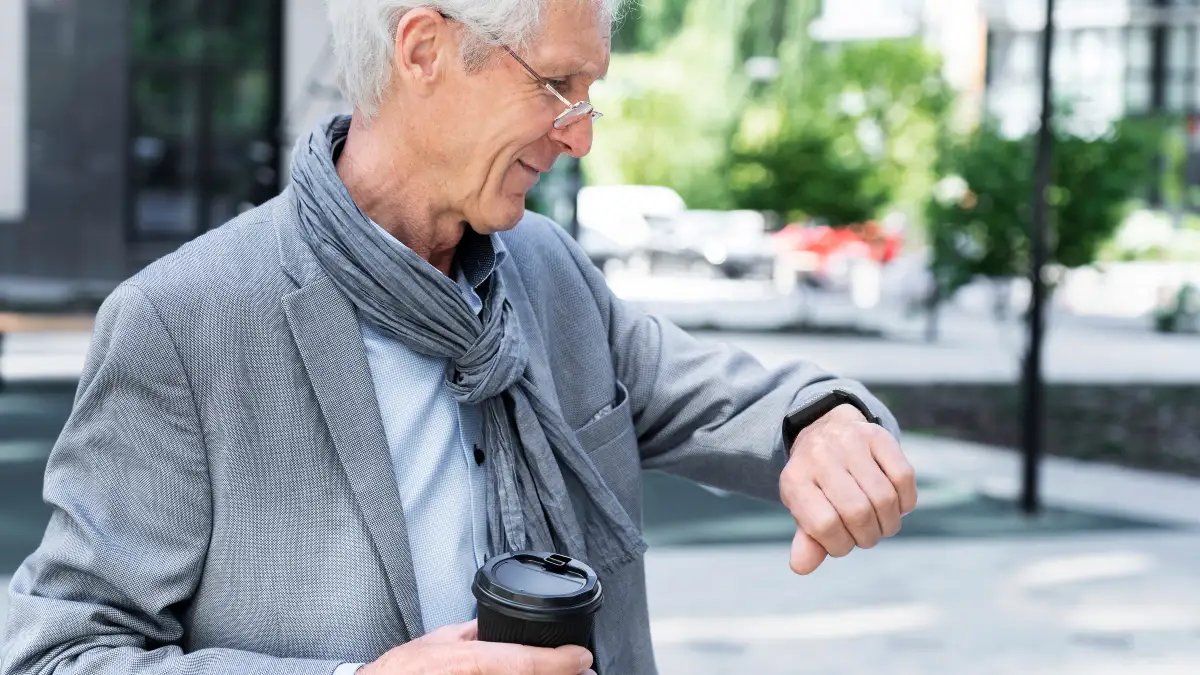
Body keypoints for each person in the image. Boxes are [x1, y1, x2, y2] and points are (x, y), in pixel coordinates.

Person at [0, 1, 917, 674]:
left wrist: (823, 421)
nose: (582, 136)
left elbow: (737, 398)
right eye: (559, 85)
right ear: (425, 48)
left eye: (590, 92)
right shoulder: (182, 322)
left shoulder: (549, 271)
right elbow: (57, 654)